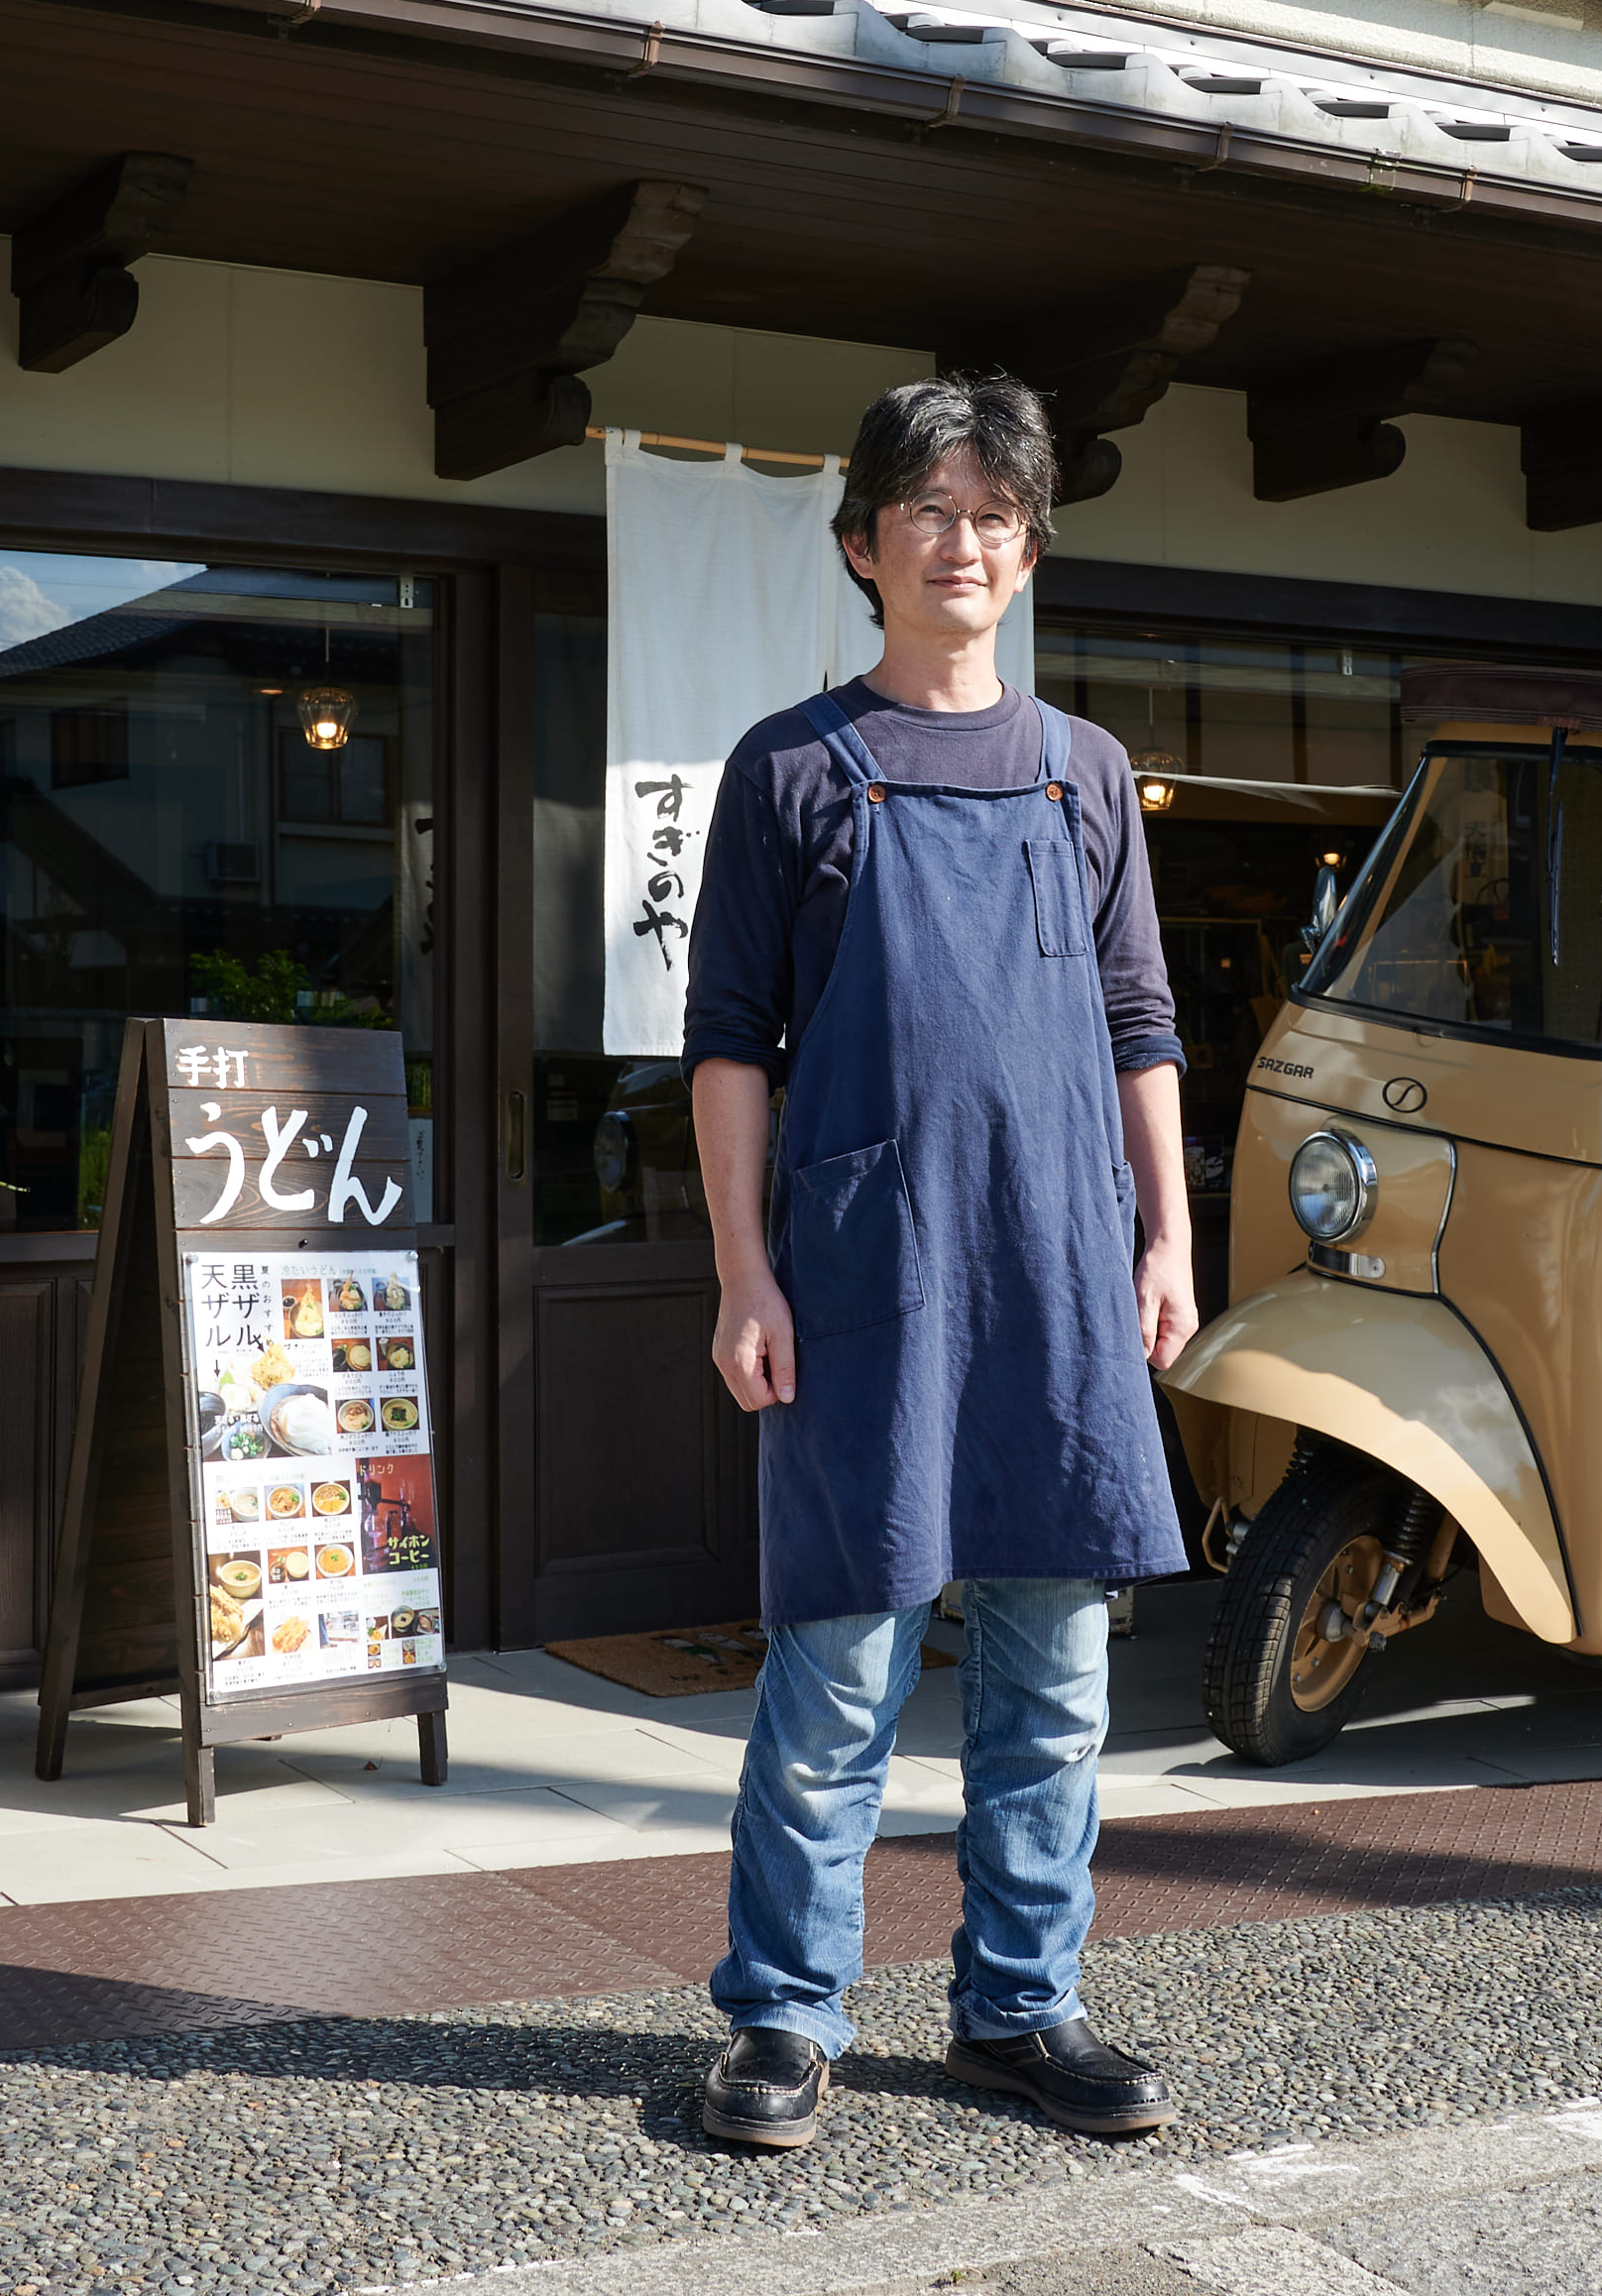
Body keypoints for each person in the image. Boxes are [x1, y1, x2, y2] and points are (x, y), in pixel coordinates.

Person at [674, 369, 1198, 2152]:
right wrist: (745, 1271)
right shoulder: (795, 769)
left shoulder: (1086, 775)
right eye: (928, 509)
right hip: (864, 1273)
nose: (961, 538)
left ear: (1027, 553)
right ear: (861, 547)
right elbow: (728, 1042)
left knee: (1053, 1681)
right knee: (834, 1673)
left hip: (1057, 1275)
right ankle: (779, 2021)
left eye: (993, 512)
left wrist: (1166, 1236)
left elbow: (1138, 1022)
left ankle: (1019, 2008)